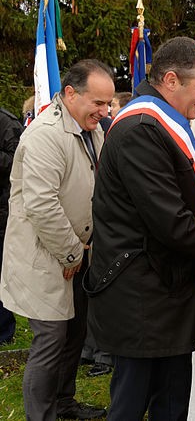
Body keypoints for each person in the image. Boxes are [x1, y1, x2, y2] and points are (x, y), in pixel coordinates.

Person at [85, 37, 195, 420]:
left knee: (171, 400)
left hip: (163, 291)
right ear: (170, 80)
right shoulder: (141, 131)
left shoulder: (159, 124)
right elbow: (172, 223)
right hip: (142, 300)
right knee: (133, 404)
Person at [0, 59, 114, 420]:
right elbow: (41, 204)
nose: (105, 110)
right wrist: (71, 254)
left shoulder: (91, 129)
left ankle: (64, 402)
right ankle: (41, 414)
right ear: (69, 93)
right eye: (97, 102)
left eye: (108, 103)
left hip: (78, 253)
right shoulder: (45, 135)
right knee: (50, 340)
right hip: (47, 255)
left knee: (74, 334)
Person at [0, 107, 23, 344]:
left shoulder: (6, 122)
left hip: (2, 213)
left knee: (1, 275)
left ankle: (4, 332)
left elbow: (19, 161)